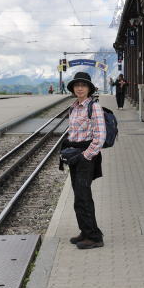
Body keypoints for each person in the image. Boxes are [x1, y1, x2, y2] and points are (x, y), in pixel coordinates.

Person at [61, 72, 105, 249]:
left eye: (83, 85)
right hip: (74, 156)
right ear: (73, 89)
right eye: (77, 85)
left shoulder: (93, 107)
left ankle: (94, 238)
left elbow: (100, 136)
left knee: (83, 196)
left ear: (89, 88)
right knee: (79, 195)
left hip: (86, 156)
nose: (80, 88)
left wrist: (85, 156)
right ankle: (86, 231)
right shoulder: (74, 107)